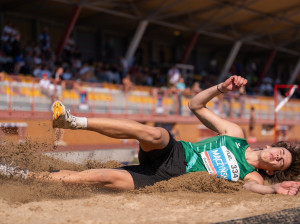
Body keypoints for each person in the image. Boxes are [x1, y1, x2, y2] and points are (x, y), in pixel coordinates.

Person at [1, 76, 300, 195]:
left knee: (102, 177)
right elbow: (195, 104)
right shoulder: (235, 135)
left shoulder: (254, 177)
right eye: (281, 153)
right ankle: (72, 122)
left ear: (270, 170)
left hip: (168, 179)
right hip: (176, 154)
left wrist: (275, 190)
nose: (276, 157)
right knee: (154, 133)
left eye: (279, 164)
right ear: (273, 146)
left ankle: (22, 175)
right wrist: (221, 88)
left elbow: (254, 190)